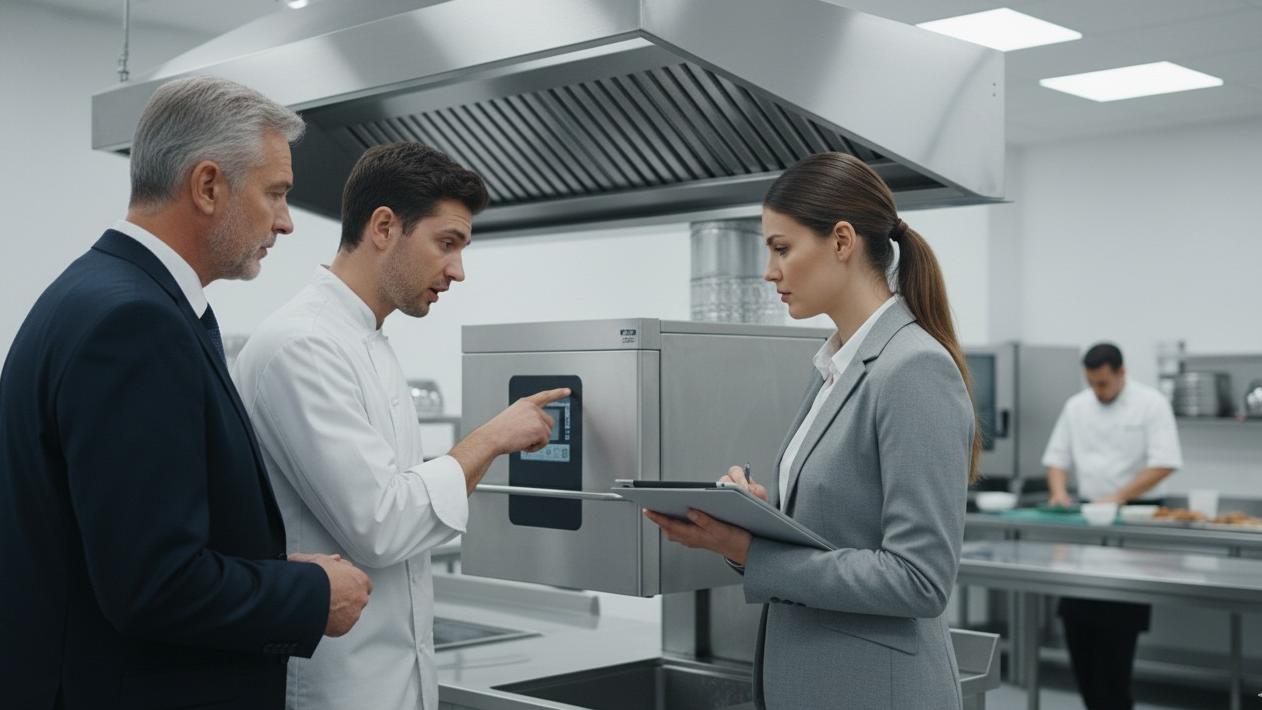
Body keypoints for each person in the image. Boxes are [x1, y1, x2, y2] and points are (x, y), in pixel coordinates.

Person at [0, 75, 373, 710]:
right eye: (276, 193)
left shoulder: (97, 294)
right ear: (207, 186)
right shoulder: (134, 324)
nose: (285, 221)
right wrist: (309, 594)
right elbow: (154, 583)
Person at [232, 142, 569, 710]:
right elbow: (381, 524)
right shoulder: (303, 345)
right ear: (384, 226)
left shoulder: (366, 339)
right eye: (447, 244)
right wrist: (491, 438)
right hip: (332, 687)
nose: (458, 270)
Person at [645, 152, 979, 710]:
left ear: (842, 241)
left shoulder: (913, 367)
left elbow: (919, 580)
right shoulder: (833, 364)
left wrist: (752, 551)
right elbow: (838, 529)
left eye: (781, 248)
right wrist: (756, 517)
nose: (769, 270)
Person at [1042, 342, 1182, 710]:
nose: (1097, 391)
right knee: (1077, 624)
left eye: (1103, 384)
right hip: (1089, 522)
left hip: (1135, 521)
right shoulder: (1077, 406)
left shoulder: (1151, 404)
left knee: (1117, 637)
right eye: (1092, 384)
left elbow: (1165, 462)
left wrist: (1118, 497)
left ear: (1121, 373)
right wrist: (1058, 492)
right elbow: (1056, 458)